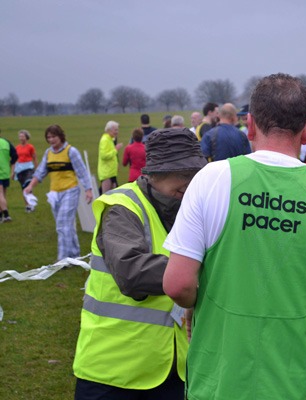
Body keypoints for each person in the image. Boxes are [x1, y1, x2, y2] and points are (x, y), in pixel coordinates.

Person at [162, 73, 306, 400]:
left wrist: (201, 305)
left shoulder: (212, 179)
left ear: (249, 126)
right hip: (291, 382)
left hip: (218, 381)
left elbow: (177, 284)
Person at [73, 128, 207, 399]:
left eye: (195, 173)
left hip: (172, 368)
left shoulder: (193, 209)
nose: (190, 182)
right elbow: (131, 272)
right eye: (181, 173)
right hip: (112, 371)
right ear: (153, 174)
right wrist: (198, 274)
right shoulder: (122, 207)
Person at [24, 125, 93, 260]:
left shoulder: (71, 151)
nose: (51, 140)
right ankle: (74, 255)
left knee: (62, 224)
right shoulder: (48, 153)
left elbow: (82, 172)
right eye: (48, 137)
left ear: (60, 136)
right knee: (66, 226)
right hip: (54, 194)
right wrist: (30, 186)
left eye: (54, 136)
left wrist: (88, 190)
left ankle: (62, 259)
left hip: (70, 191)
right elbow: (40, 172)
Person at [13, 129, 38, 212]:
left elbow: (34, 158)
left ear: (26, 137)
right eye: (20, 136)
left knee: (28, 184)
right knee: (23, 187)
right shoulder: (17, 147)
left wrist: (37, 169)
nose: (21, 138)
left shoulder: (30, 147)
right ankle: (27, 205)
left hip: (28, 168)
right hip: (20, 168)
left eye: (22, 136)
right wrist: (13, 172)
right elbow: (15, 160)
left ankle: (31, 205)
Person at [98, 120, 123, 194]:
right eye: (115, 130)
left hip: (111, 173)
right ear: (109, 130)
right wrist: (116, 150)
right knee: (106, 195)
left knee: (113, 194)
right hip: (107, 174)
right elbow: (104, 156)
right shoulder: (105, 140)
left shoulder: (110, 139)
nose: (117, 132)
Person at [0, 129, 17, 222]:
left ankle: (6, 215)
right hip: (5, 172)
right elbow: (15, 156)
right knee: (2, 195)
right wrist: (9, 164)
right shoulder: (6, 142)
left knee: (0, 195)